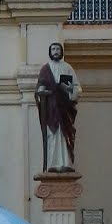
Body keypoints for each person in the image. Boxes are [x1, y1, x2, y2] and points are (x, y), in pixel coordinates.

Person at [33, 41, 79, 172]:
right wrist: (42, 92)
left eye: (58, 49)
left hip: (64, 107)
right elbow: (39, 87)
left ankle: (66, 163)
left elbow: (77, 87)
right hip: (52, 108)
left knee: (65, 135)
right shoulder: (45, 69)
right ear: (50, 52)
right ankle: (52, 164)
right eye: (53, 49)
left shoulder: (68, 68)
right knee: (52, 134)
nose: (56, 51)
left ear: (61, 51)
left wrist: (70, 89)